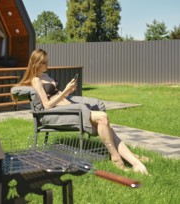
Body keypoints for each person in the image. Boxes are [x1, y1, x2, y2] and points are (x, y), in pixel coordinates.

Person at [18, 48, 148, 174]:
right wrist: (65, 92)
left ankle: (133, 159)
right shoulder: (36, 80)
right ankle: (117, 158)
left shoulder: (45, 75)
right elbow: (46, 105)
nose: (47, 64)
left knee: (106, 125)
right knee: (103, 118)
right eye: (44, 62)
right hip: (62, 113)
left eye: (47, 61)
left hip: (70, 108)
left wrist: (68, 91)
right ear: (36, 63)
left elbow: (57, 94)